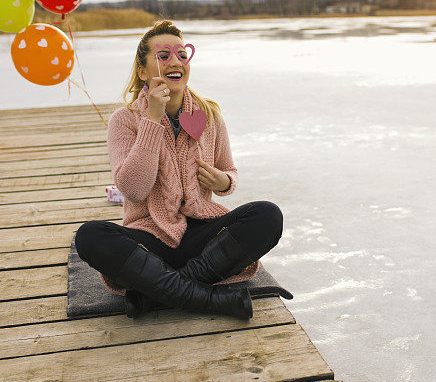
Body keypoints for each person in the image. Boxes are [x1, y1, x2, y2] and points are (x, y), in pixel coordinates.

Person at [74, 20, 283, 320]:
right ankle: (209, 298)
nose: (175, 61)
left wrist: (222, 181)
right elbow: (133, 189)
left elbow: (229, 173)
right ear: (143, 71)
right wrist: (152, 120)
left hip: (201, 233)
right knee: (90, 236)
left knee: (268, 216)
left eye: (182, 54)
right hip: (149, 237)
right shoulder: (124, 121)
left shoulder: (208, 115)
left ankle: (154, 295)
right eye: (163, 55)